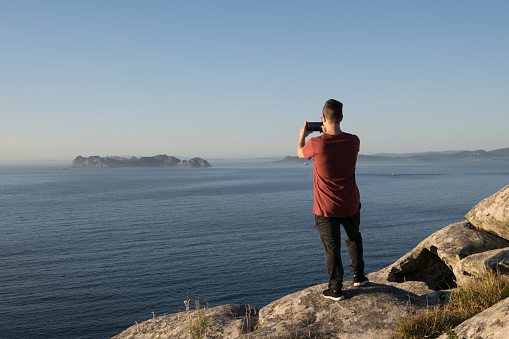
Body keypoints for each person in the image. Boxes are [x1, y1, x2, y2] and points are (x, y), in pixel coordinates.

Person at [297, 99, 369, 301]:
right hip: (351, 202)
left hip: (326, 207)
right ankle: (359, 276)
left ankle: (336, 288)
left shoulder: (316, 143)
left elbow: (300, 153)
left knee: (332, 247)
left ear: (323, 118)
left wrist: (303, 135)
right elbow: (338, 145)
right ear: (342, 118)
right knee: (354, 238)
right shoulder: (354, 141)